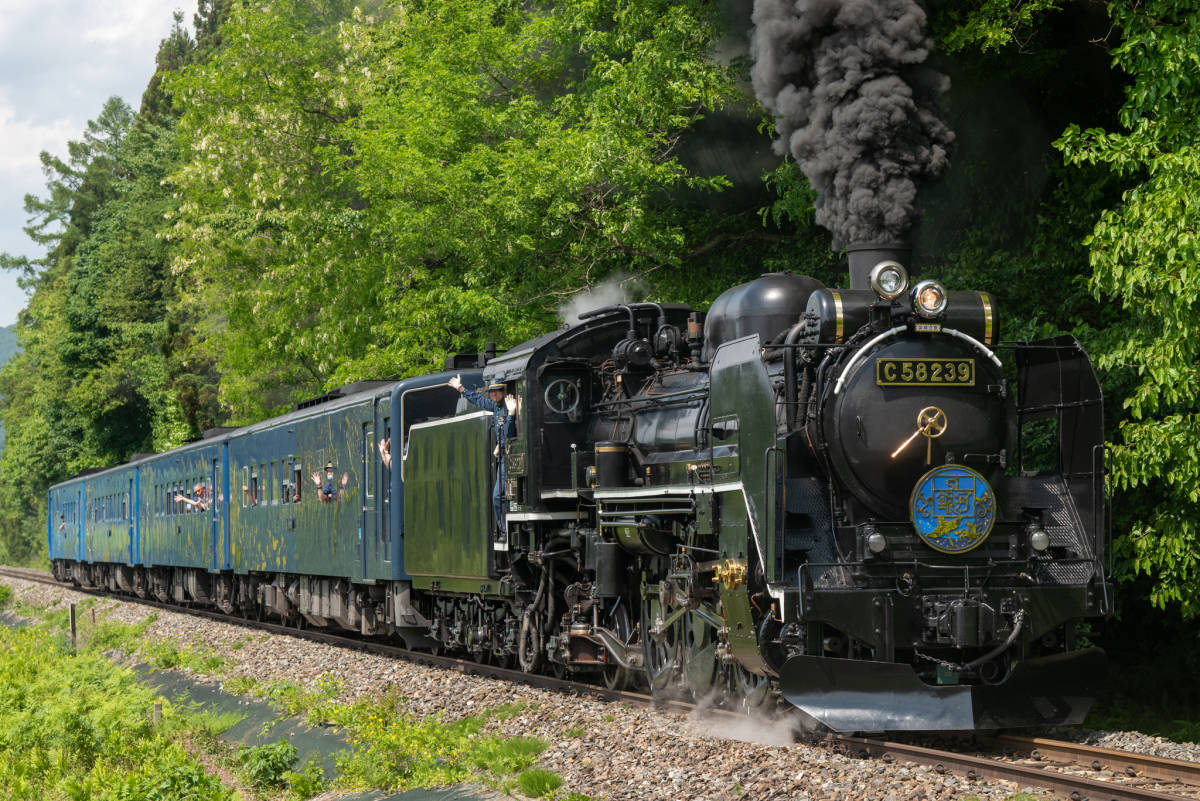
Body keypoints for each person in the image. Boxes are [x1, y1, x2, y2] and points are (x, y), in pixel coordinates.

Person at [449, 375, 517, 536]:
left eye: (496, 391)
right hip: (504, 457)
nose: (493, 395)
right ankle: (504, 529)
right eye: (491, 392)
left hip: (511, 458)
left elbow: (508, 433)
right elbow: (478, 400)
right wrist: (461, 389)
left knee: (499, 496)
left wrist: (512, 414)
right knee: (498, 497)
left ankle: (506, 531)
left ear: (503, 391)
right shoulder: (495, 406)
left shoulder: (509, 406)